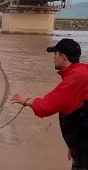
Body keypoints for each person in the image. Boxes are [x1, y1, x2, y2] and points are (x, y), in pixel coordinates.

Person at [11, 38, 88, 170]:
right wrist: (74, 146)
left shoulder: (76, 78)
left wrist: (27, 101)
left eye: (55, 54)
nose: (54, 58)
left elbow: (46, 107)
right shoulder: (81, 72)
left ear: (62, 57)